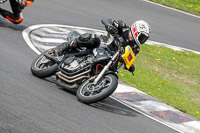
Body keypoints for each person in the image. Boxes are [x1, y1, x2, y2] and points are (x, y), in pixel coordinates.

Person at [49, 18, 151, 72]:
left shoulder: (135, 48)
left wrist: (130, 66)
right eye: (142, 37)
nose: (142, 40)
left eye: (144, 39)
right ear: (136, 30)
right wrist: (110, 26)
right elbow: (106, 19)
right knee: (91, 38)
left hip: (111, 58)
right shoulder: (123, 27)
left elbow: (128, 58)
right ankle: (62, 47)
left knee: (113, 70)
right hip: (101, 45)